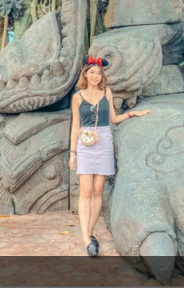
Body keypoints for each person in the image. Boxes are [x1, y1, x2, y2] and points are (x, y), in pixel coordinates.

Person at [69, 55, 150, 257]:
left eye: (98, 73)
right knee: (86, 191)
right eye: (92, 72)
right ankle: (87, 239)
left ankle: (89, 233)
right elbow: (75, 126)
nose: (95, 76)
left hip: (104, 139)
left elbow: (113, 119)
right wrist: (73, 152)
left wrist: (132, 114)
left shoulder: (107, 92)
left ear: (102, 75)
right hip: (85, 140)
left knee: (98, 191)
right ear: (85, 74)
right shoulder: (77, 97)